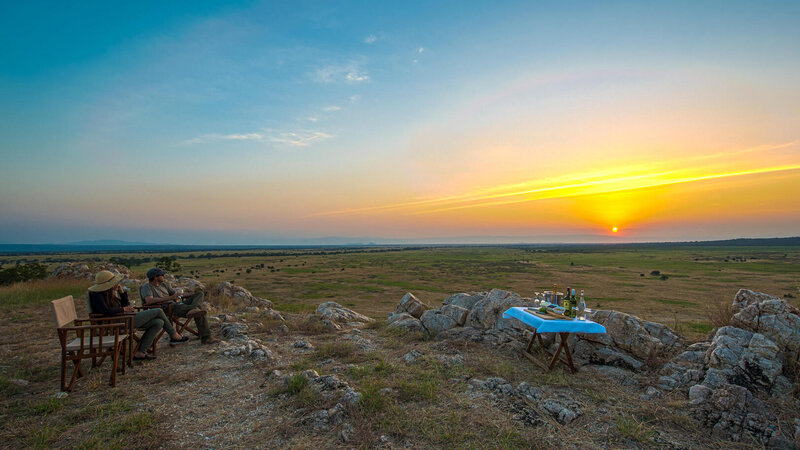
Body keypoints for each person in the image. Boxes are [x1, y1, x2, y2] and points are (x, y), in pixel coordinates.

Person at [88, 270, 189, 361]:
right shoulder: (97, 295)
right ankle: (174, 335)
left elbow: (124, 304)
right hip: (115, 322)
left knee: (158, 322)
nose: (117, 284)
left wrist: (122, 293)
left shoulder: (109, 293)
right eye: (115, 282)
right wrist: (123, 309)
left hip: (123, 318)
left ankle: (140, 352)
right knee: (158, 311)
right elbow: (105, 311)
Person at [139, 268, 216, 344]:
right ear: (155, 277)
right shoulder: (147, 287)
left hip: (177, 305)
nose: (164, 276)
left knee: (199, 294)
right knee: (199, 311)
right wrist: (170, 298)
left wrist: (189, 295)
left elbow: (176, 295)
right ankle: (206, 337)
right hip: (166, 309)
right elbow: (149, 301)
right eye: (162, 275)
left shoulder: (164, 285)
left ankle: (193, 308)